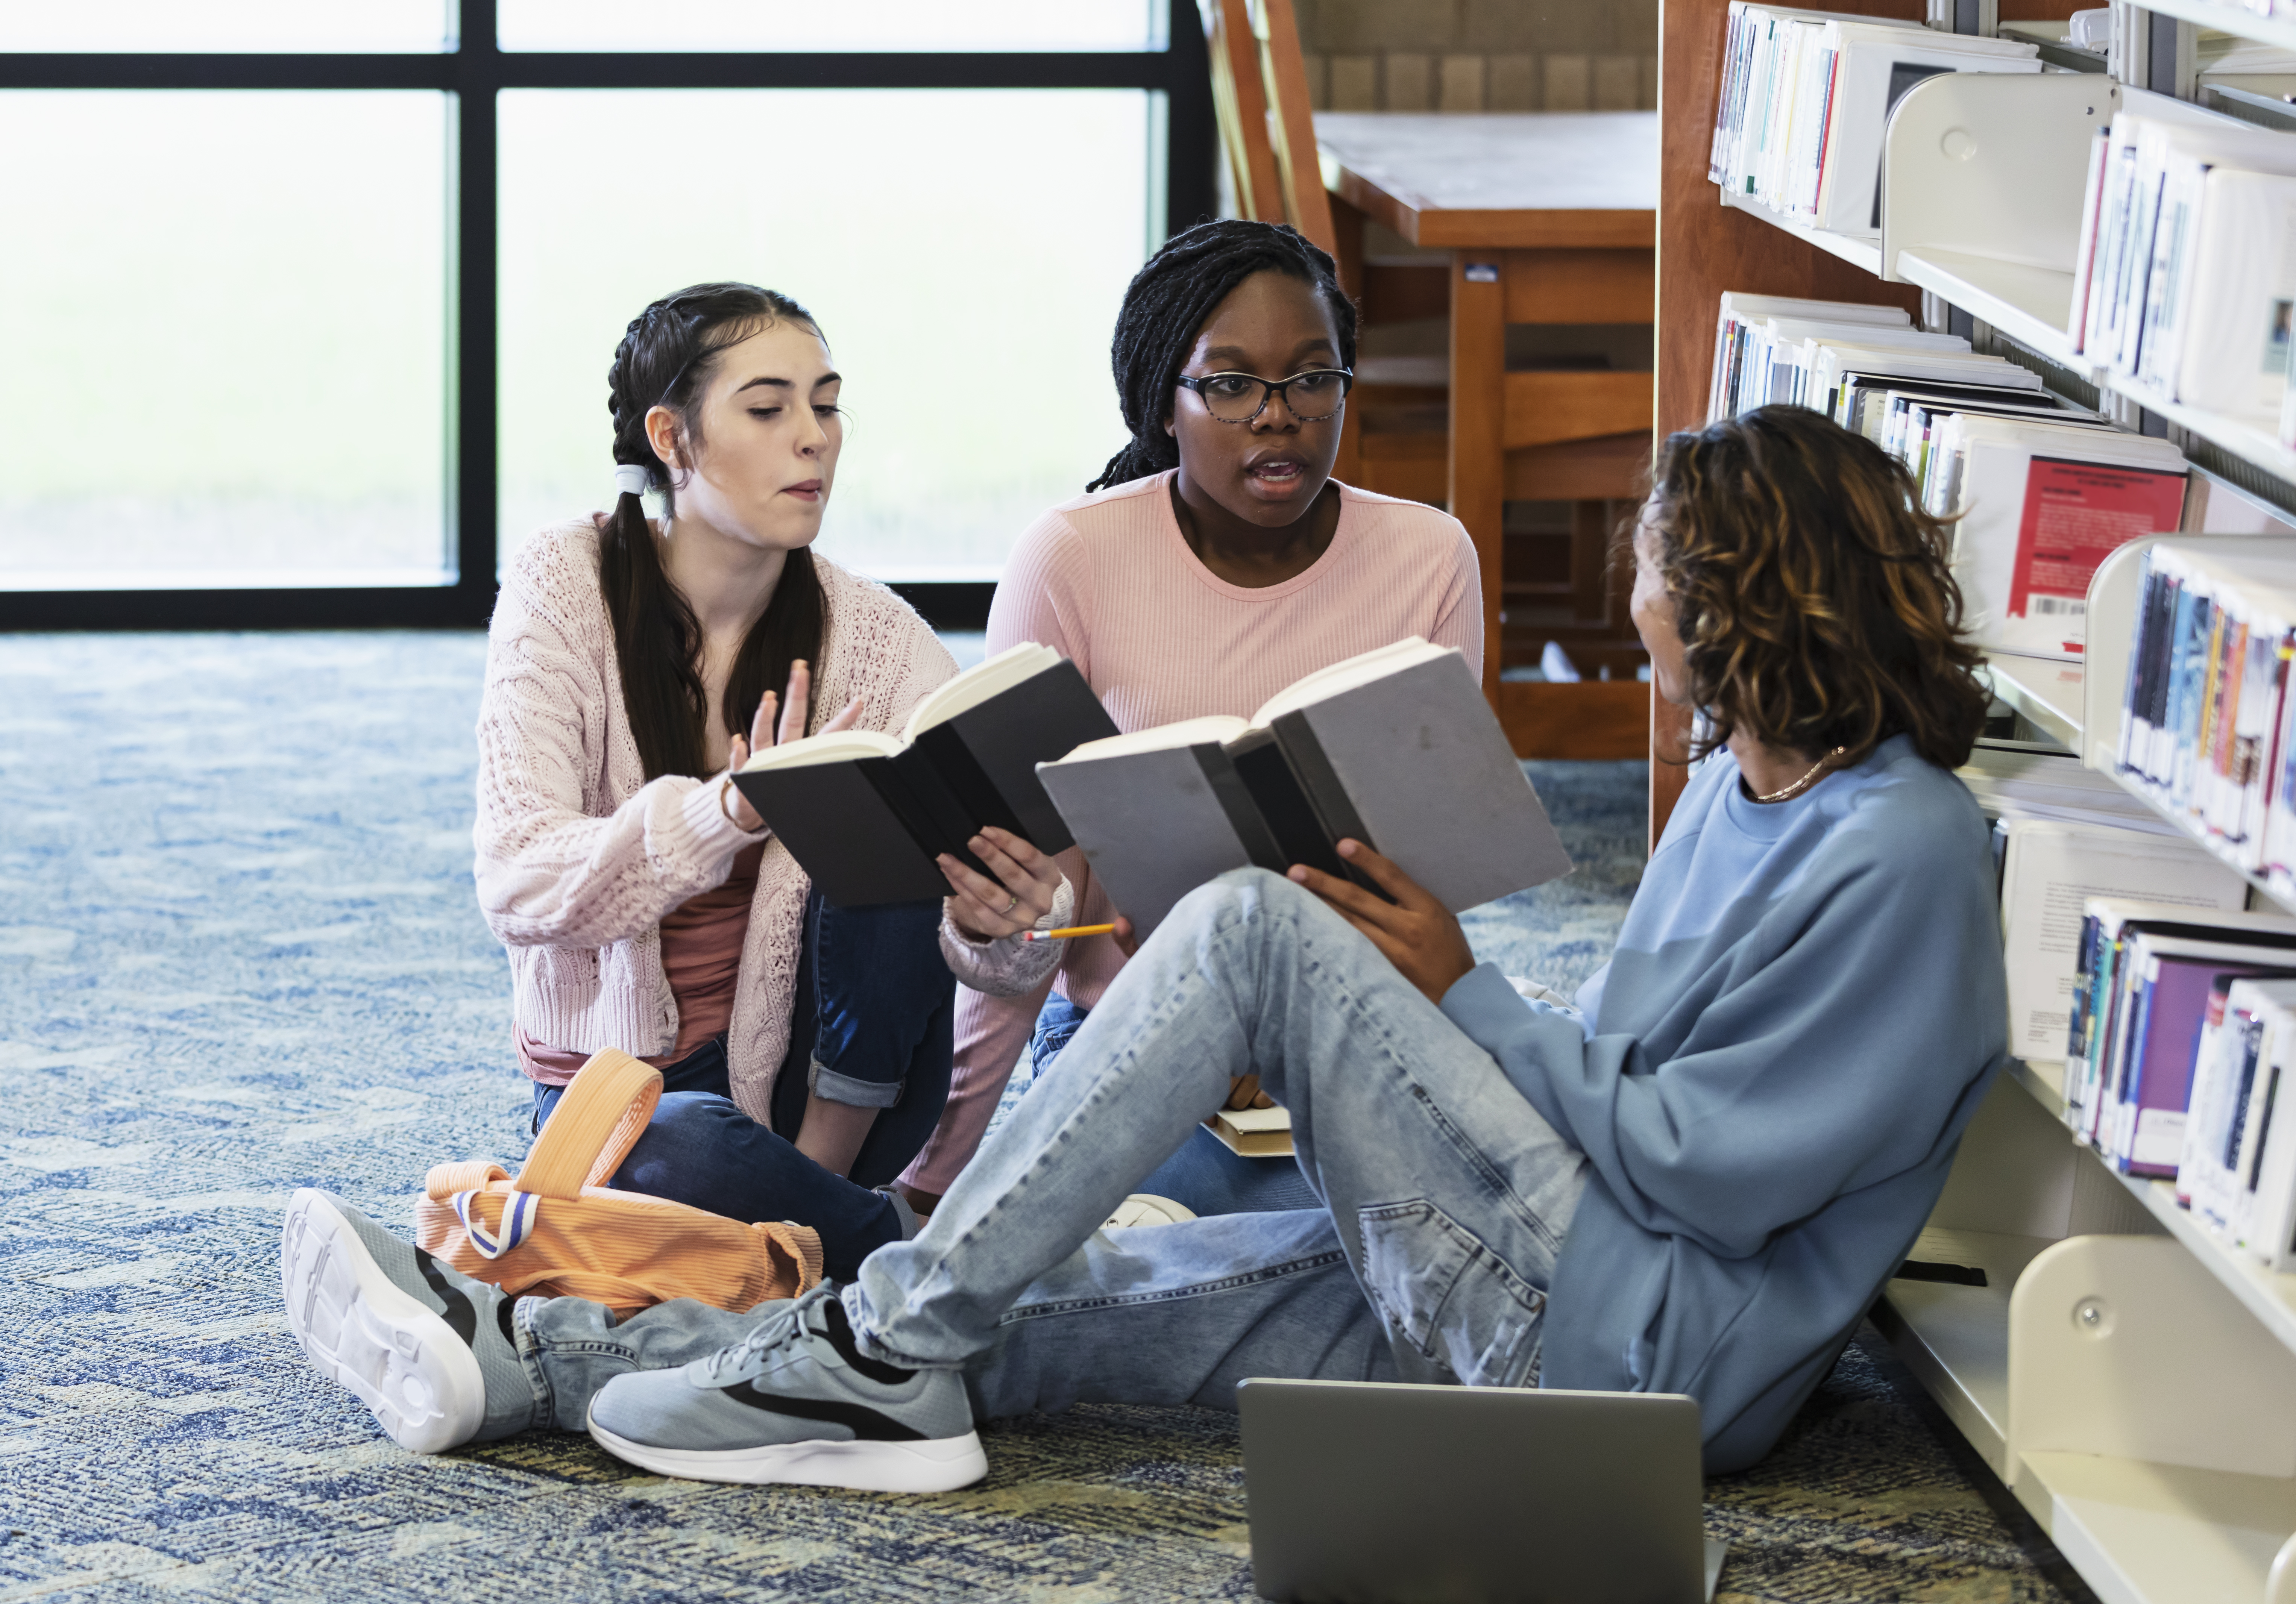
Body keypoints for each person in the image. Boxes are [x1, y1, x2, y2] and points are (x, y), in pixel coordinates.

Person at [284, 404, 2008, 1481]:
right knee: (1035, 1313)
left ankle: (875, 1349)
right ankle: (521, 1354)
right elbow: (1625, 1083)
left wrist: (1451, 997)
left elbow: (1705, 1171)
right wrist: (1424, 1050)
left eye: (1648, 559)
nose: (1627, 590)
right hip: (1553, 1256)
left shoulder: (1914, 849)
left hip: (1642, 1352)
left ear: (1729, 596)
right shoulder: (1743, 777)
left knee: (1257, 924)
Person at [898, 219, 1482, 1224]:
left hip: (1352, 1025)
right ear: (1160, 404)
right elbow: (1025, 892)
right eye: (1229, 385)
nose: (1279, 417)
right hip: (1131, 1027)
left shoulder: (1431, 557)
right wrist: (938, 1181)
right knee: (1175, 1227)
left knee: (1443, 1226)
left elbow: (1426, 865)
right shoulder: (1070, 560)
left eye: (1312, 380)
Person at [476, 281, 1059, 1284]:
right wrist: (729, 810)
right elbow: (520, 883)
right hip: (626, 1094)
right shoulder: (562, 586)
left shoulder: (877, 640)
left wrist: (1005, 923)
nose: (814, 439)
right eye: (767, 407)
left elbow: (1003, 964)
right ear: (673, 437)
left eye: (826, 406)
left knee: (898, 798)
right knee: (687, 1143)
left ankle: (802, 1206)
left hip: (839, 1091)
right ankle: (875, 1254)